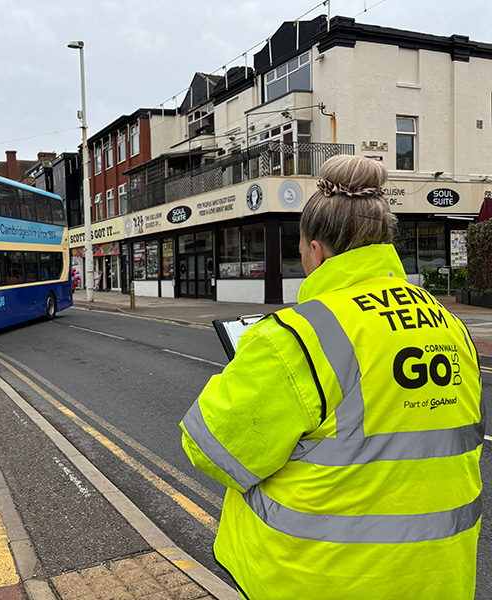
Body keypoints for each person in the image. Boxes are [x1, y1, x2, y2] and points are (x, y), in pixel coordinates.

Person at [180, 155, 484, 600]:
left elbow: (211, 447)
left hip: (324, 577)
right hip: (439, 575)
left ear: (316, 249)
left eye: (299, 247)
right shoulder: (449, 326)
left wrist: (246, 365)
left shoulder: (298, 336)